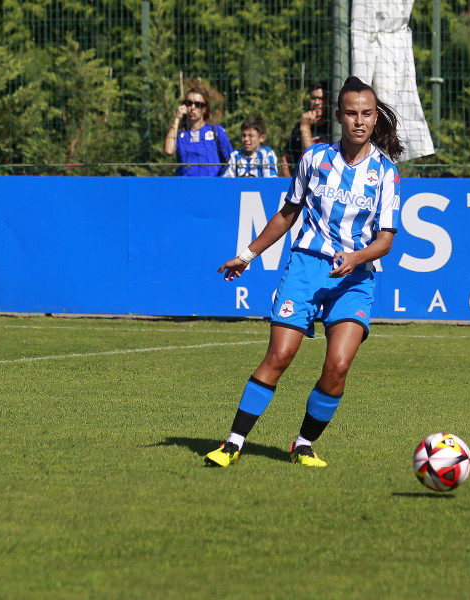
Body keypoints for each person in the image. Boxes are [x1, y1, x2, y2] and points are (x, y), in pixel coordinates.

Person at [206, 76, 403, 469]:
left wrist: (356, 256)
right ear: (338, 116)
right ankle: (233, 442)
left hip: (355, 278)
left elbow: (385, 241)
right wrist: (247, 254)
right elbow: (287, 214)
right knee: (279, 355)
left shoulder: (385, 172)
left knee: (338, 365)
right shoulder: (314, 158)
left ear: (374, 117)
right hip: (306, 269)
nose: (359, 121)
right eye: (351, 113)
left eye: (367, 113)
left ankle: (303, 444)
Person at [164, 85, 234, 176]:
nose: (192, 107)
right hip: (185, 186)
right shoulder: (180, 132)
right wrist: (177, 119)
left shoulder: (216, 131)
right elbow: (169, 150)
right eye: (189, 103)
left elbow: (230, 161)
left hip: (211, 186)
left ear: (205, 109)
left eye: (198, 104)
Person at [280, 82, 330, 178]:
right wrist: (292, 183)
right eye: (313, 98)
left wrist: (305, 127)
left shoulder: (333, 127)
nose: (317, 103)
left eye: (321, 99)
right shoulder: (299, 126)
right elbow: (286, 158)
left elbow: (313, 158)